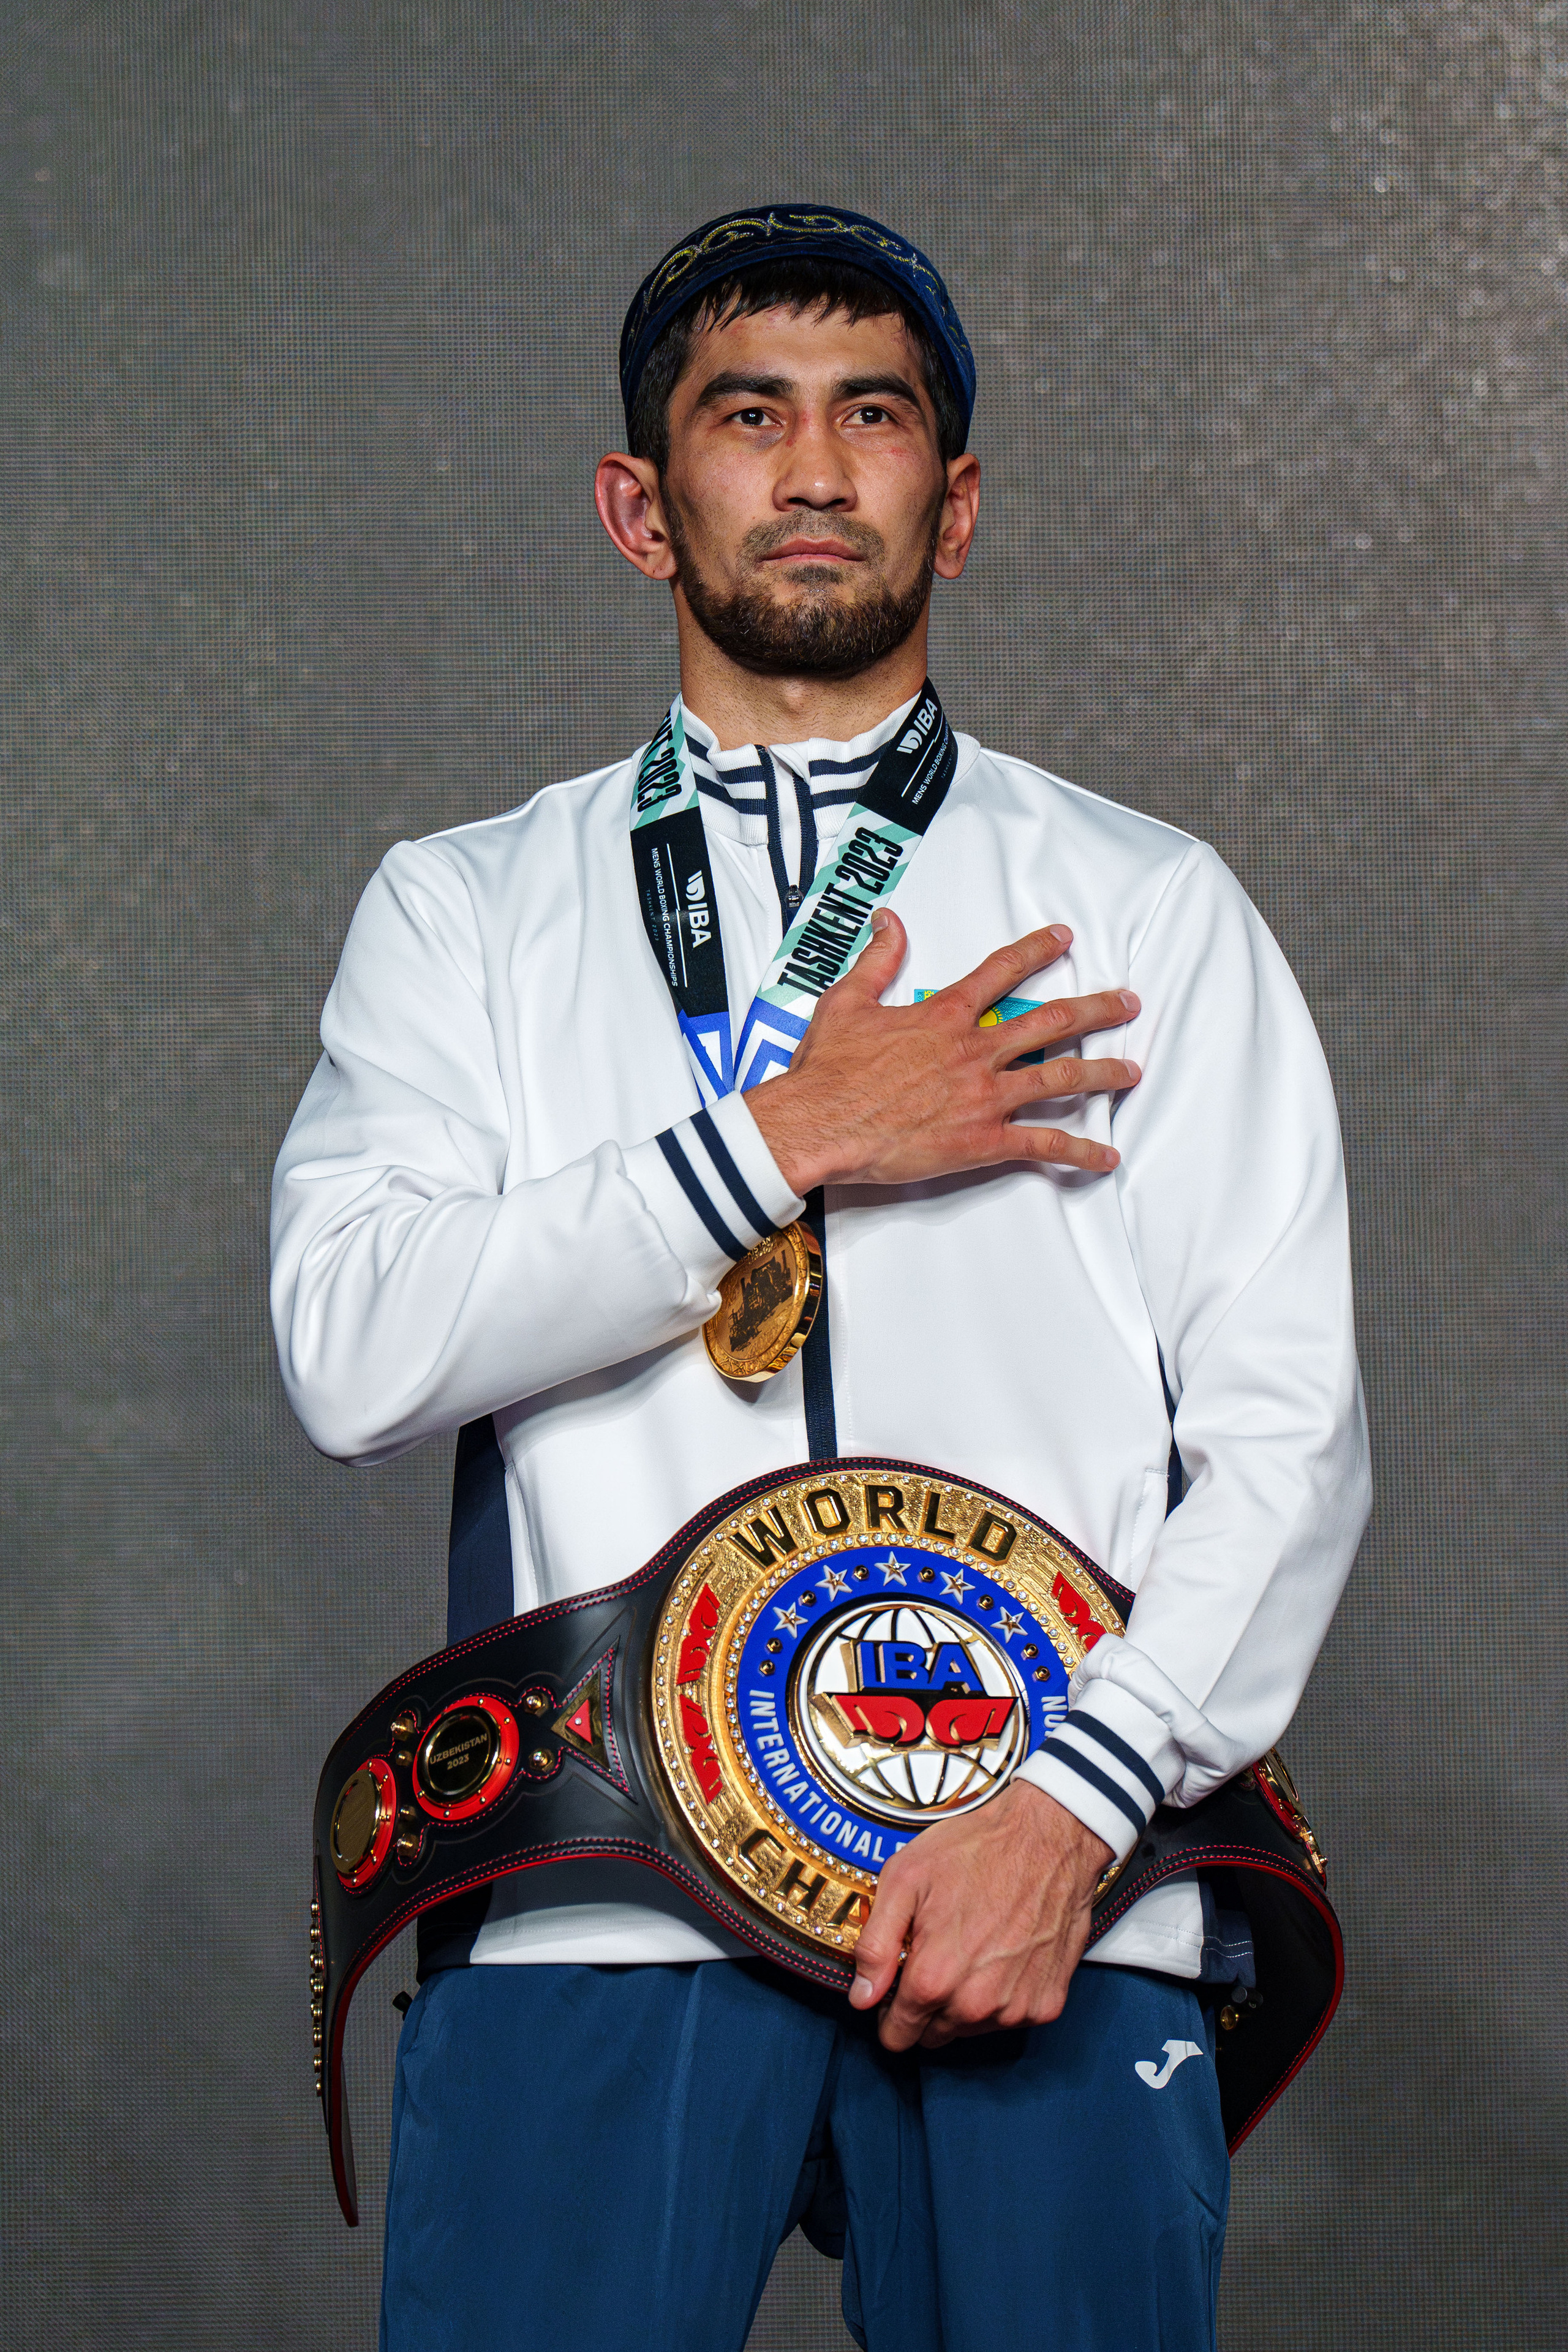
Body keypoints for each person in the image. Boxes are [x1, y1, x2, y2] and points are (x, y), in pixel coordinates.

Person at [272, 206, 1371, 2352]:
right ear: (638, 500)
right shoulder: (468, 909)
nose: (810, 467)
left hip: (1050, 1895)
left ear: (950, 505)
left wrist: (1077, 1806)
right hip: (599, 1893)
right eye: (745, 414)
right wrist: (782, 1140)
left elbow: (1288, 1434)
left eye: (873, 417)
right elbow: (353, 1344)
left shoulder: (1152, 905)